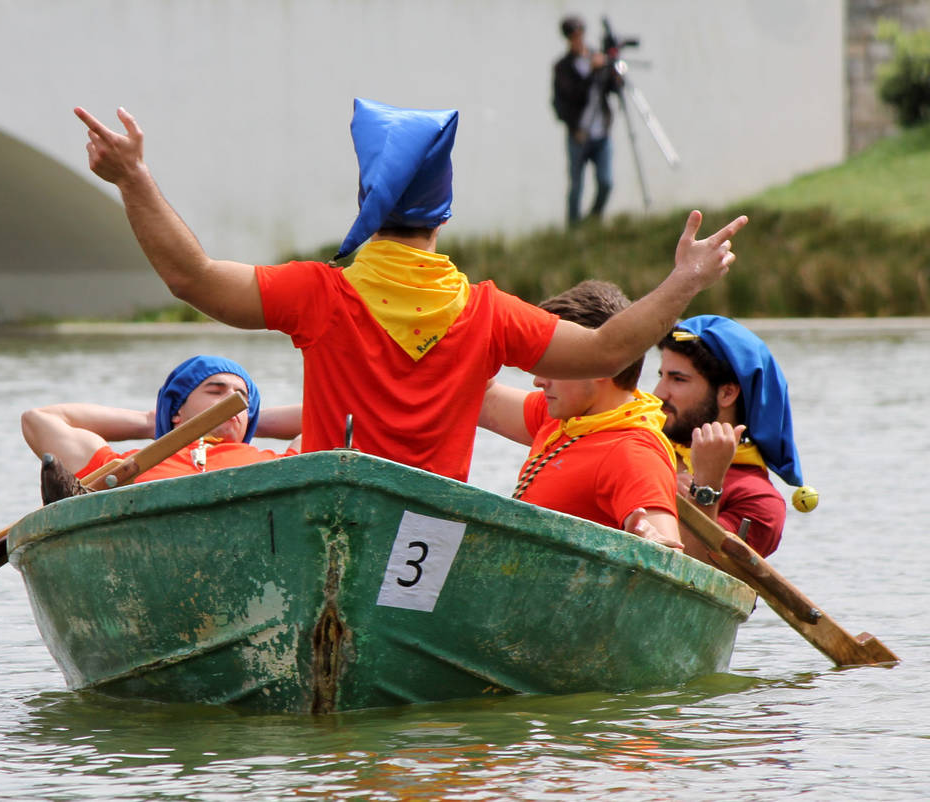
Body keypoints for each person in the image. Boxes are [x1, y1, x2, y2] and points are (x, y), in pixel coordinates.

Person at [74, 97, 747, 483]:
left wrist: (133, 178)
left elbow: (189, 276)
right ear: (444, 214)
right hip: (426, 544)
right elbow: (607, 351)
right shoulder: (490, 316)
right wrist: (683, 280)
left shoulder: (315, 293)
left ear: (365, 204)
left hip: (324, 516)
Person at [479, 281, 681, 550]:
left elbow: (669, 553)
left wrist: (650, 543)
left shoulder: (633, 453)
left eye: (553, 365)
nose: (538, 380)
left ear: (599, 364)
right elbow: (482, 398)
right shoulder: (562, 417)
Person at [22, 355, 299, 503]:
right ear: (177, 410)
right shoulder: (122, 468)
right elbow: (39, 419)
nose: (232, 401)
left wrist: (248, 419)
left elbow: (338, 414)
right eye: (216, 392)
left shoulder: (286, 465)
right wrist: (149, 422)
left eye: (242, 398)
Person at [654, 316, 808, 558]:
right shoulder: (646, 450)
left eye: (678, 379)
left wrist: (706, 486)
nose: (659, 393)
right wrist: (661, 483)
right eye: (661, 376)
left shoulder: (758, 501)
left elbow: (695, 571)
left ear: (727, 393)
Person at [552, 15, 622, 226]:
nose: (578, 39)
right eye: (573, 36)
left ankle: (594, 219)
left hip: (601, 132)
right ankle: (573, 228)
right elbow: (570, 98)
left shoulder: (597, 57)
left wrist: (613, 69)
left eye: (580, 34)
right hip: (579, 135)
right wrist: (592, 71)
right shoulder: (563, 67)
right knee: (576, 186)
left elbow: (613, 89)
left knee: (606, 182)